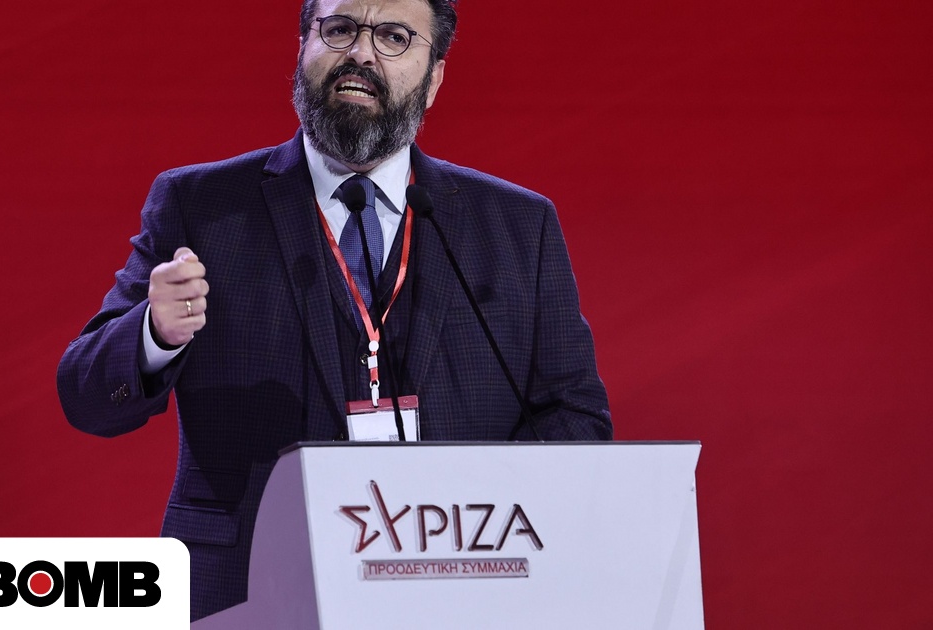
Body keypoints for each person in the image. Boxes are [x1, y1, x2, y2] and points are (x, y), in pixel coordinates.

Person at [57, 0, 612, 620]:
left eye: (394, 36)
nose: (362, 53)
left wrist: (471, 510)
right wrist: (154, 334)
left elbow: (577, 418)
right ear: (303, 47)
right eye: (341, 28)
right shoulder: (201, 206)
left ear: (434, 78)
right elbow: (85, 396)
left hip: (457, 594)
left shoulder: (518, 226)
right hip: (251, 593)